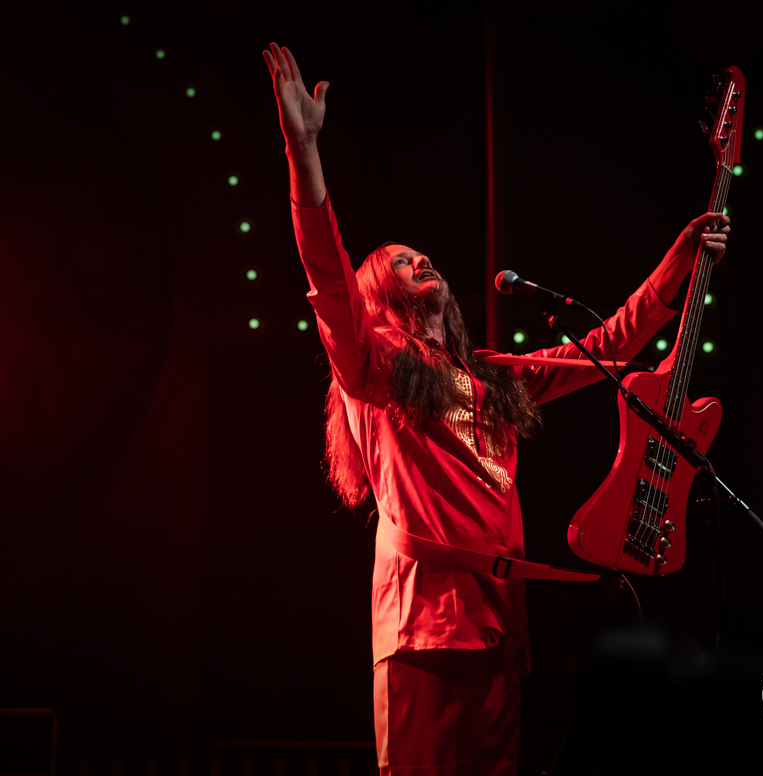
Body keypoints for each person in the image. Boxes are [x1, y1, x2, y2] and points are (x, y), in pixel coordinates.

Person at [263, 41, 730, 776]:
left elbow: (607, 346)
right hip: (425, 627)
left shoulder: (490, 380)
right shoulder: (374, 365)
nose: (422, 262)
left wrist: (679, 260)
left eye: (425, 256)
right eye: (400, 262)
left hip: (500, 630)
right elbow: (325, 267)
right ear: (378, 295)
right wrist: (303, 150)